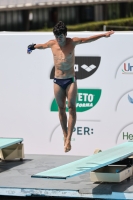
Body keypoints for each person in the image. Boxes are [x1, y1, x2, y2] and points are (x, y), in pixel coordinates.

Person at [27, 21, 114, 153]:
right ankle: (64, 134)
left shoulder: (72, 42)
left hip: (70, 80)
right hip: (57, 81)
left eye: (60, 37)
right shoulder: (52, 44)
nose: (58, 39)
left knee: (72, 108)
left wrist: (103, 35)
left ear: (65, 35)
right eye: (57, 37)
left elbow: (88, 39)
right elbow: (42, 46)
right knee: (61, 109)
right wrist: (32, 46)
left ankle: (68, 139)